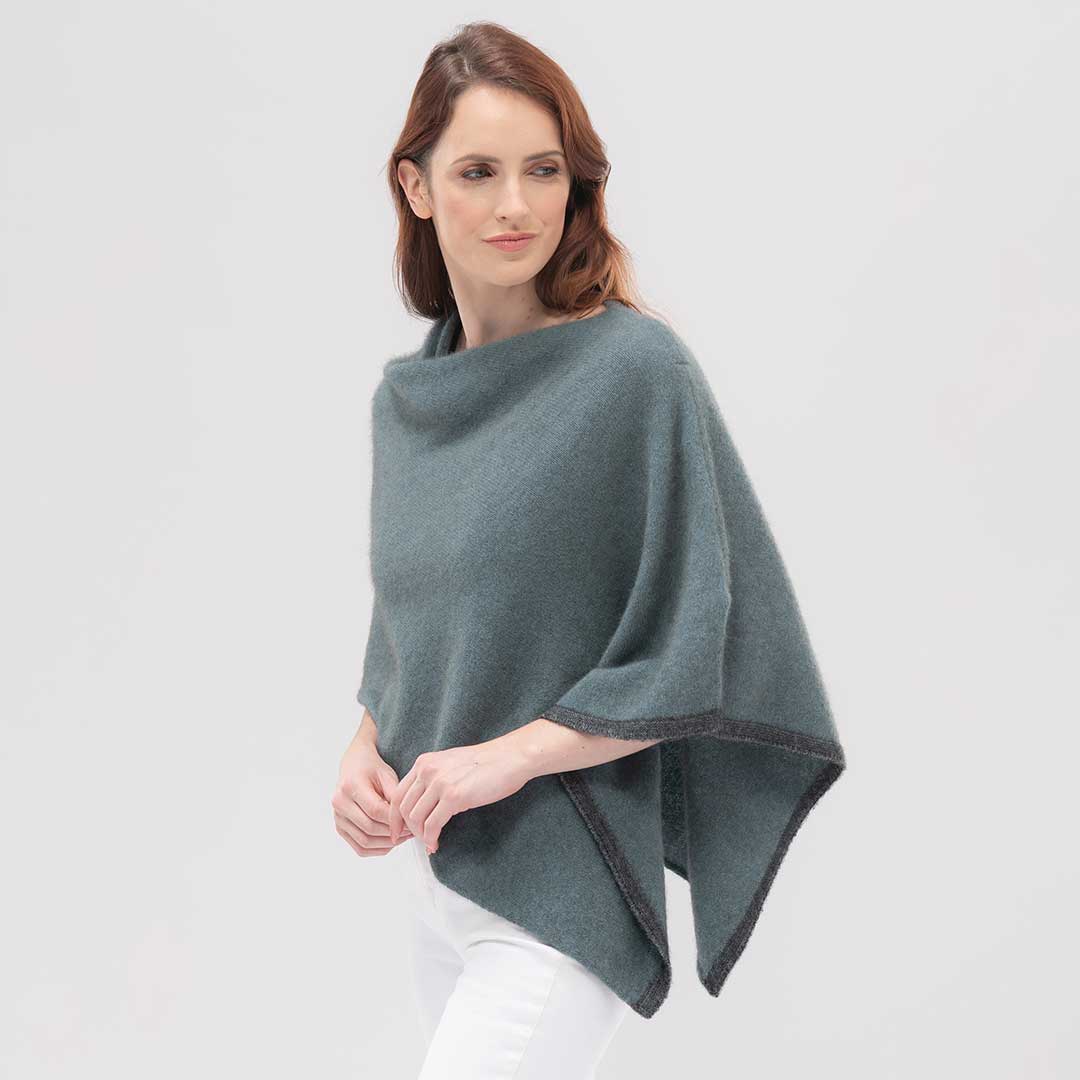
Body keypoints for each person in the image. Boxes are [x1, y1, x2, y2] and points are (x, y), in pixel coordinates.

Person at [331, 20, 846, 1079]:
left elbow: (690, 641)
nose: (516, 206)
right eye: (478, 171)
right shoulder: (409, 401)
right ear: (416, 187)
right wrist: (362, 749)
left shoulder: (633, 374)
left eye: (543, 170)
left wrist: (506, 757)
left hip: (561, 884)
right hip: (441, 882)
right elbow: (418, 619)